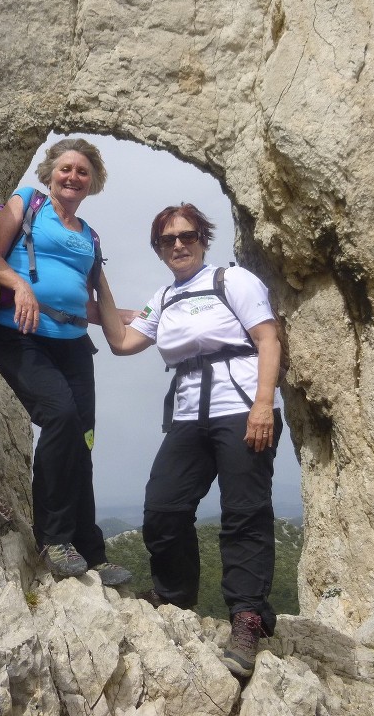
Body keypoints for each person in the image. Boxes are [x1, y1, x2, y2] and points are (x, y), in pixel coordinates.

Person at [94, 202, 283, 678]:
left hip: (240, 409)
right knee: (163, 508)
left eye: (187, 235)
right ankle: (175, 597)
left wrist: (264, 403)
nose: (178, 244)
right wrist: (96, 277)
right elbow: (122, 342)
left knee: (244, 513)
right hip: (186, 416)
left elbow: (267, 338)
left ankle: (246, 619)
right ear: (159, 250)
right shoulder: (163, 298)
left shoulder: (231, 281)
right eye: (167, 240)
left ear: (203, 238)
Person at [0, 137, 131, 587]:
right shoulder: (27, 202)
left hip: (73, 342)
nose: (73, 177)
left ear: (93, 182)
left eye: (83, 172)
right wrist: (20, 286)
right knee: (61, 416)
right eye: (66, 168)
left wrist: (130, 317)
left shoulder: (90, 236)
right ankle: (54, 539)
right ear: (50, 173)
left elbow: (85, 304)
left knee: (81, 440)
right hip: (19, 331)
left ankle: (90, 549)